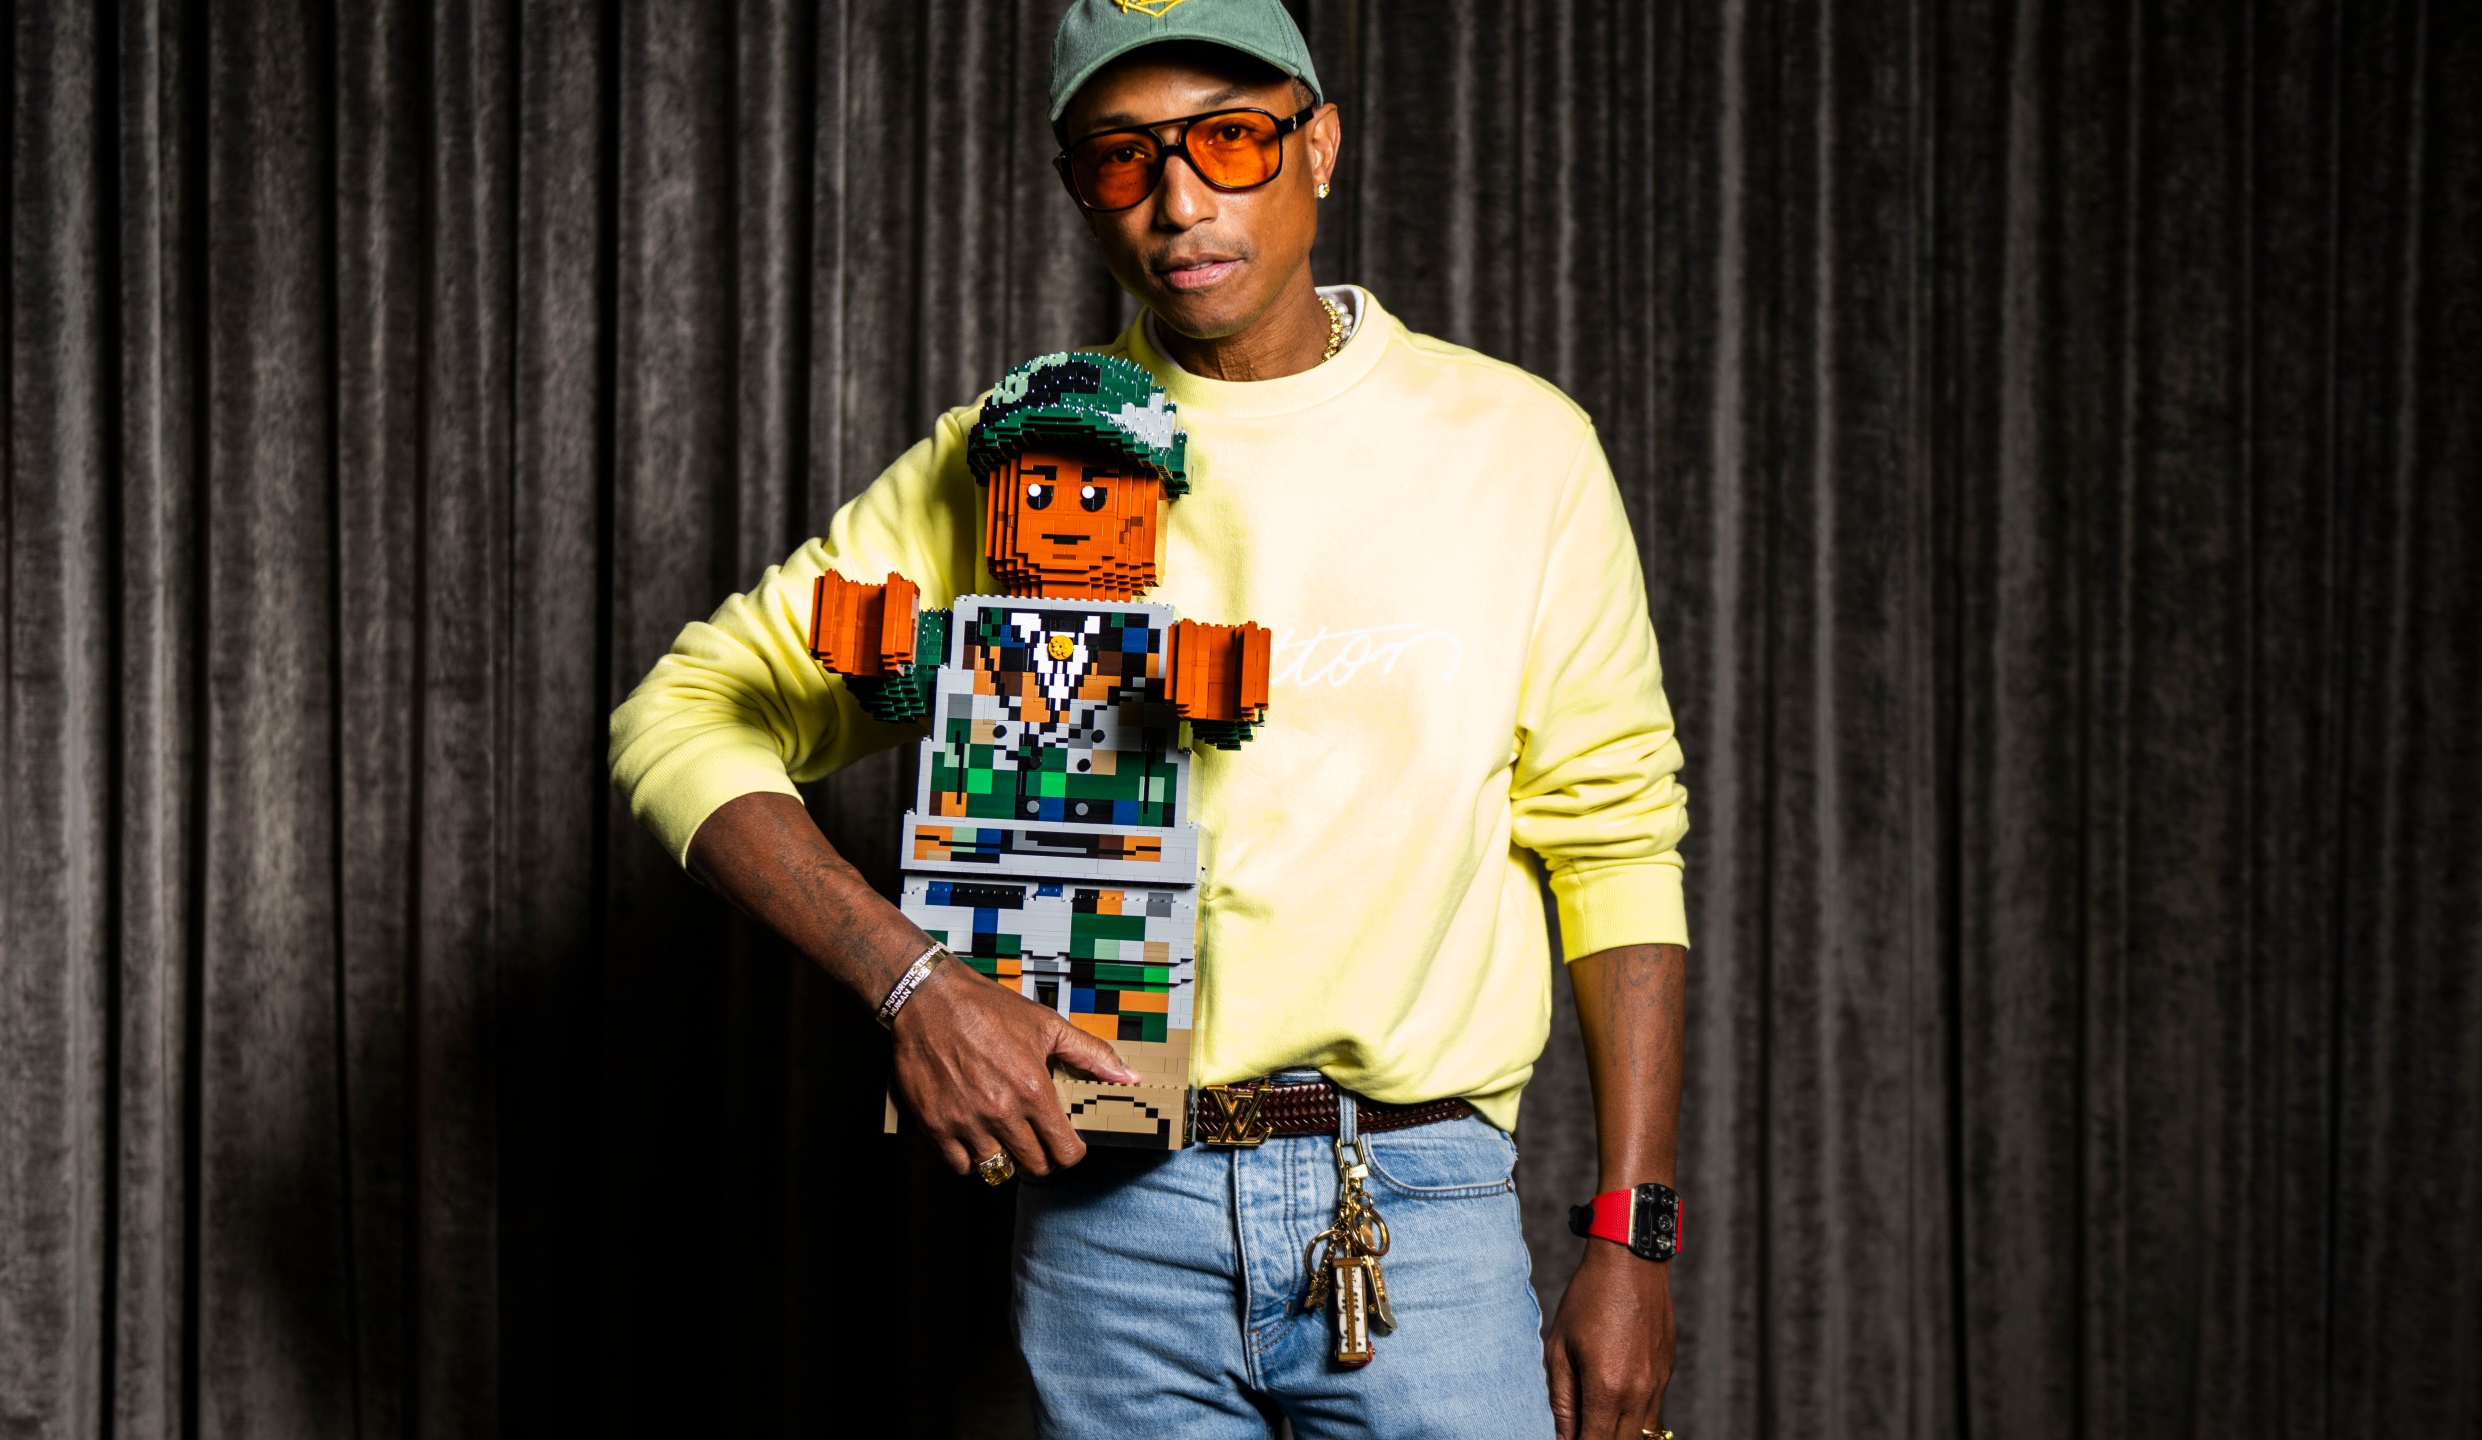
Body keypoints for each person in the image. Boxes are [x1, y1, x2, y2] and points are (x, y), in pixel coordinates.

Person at [607, 3, 1691, 1437]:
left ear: (1320, 144)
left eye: (1230, 140)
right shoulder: (1024, 456)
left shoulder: (1518, 451)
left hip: (1417, 1206)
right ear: (1079, 189)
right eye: (1120, 160)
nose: (1178, 202)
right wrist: (909, 979)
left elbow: (1613, 843)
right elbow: (682, 717)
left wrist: (1633, 1233)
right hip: (1112, 1214)